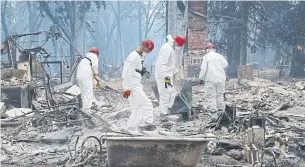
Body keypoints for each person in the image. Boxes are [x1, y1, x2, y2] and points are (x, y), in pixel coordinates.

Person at [122, 39, 155, 134]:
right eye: (147, 51)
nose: (148, 53)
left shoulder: (138, 56)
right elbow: (127, 72)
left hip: (134, 84)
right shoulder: (133, 56)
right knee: (147, 103)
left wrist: (141, 71)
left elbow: (135, 69)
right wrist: (127, 88)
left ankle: (131, 128)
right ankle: (148, 125)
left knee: (137, 109)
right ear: (143, 47)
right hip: (132, 85)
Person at [154, 35, 186, 116]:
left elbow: (172, 63)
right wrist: (166, 78)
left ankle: (169, 110)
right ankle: (163, 113)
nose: (179, 47)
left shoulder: (172, 48)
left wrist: (177, 73)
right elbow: (162, 64)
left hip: (168, 76)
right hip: (163, 76)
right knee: (165, 94)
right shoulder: (167, 49)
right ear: (175, 42)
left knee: (172, 92)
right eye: (179, 45)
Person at [199, 43, 228, 113]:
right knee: (220, 94)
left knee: (211, 95)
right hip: (221, 78)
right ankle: (220, 109)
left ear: (207, 49)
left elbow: (203, 69)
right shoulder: (219, 56)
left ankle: (213, 110)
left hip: (211, 78)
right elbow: (225, 65)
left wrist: (201, 78)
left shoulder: (206, 57)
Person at [76, 47, 101, 114]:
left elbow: (89, 69)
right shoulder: (94, 56)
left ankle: (84, 108)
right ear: (96, 53)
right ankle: (87, 110)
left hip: (79, 76)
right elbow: (95, 66)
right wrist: (96, 75)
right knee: (88, 92)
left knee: (83, 93)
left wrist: (95, 80)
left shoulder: (84, 59)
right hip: (86, 76)